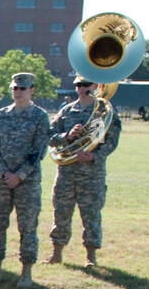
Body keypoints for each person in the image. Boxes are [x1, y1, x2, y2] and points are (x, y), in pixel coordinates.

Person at [47, 76, 121, 268]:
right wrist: (67, 135)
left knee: (91, 214)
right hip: (66, 172)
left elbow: (112, 141)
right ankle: (56, 253)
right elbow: (51, 137)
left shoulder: (105, 111)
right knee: (61, 211)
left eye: (86, 85)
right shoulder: (66, 110)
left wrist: (95, 156)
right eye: (78, 85)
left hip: (92, 173)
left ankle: (91, 256)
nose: (82, 88)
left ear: (95, 86)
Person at [0, 72, 50, 289]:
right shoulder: (1, 115)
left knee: (28, 227)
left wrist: (19, 175)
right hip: (1, 181)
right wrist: (5, 173)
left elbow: (38, 151)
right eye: (15, 88)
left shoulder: (40, 117)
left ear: (32, 90)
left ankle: (26, 271)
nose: (18, 92)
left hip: (27, 182)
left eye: (23, 88)